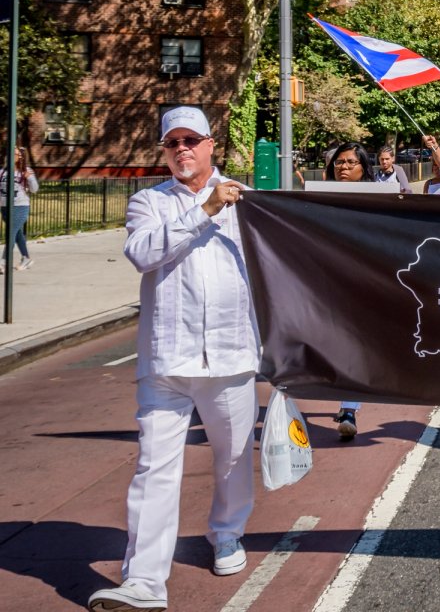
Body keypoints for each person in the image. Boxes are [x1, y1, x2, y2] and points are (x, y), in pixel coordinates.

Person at [88, 107, 257, 612]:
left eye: (191, 140)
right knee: (154, 468)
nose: (182, 149)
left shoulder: (248, 202)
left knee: (232, 458)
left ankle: (226, 534)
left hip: (230, 355)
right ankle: (143, 581)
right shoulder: (149, 202)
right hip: (166, 359)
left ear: (211, 145)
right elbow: (143, 254)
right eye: (172, 143)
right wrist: (203, 209)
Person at [326, 142, 376, 441]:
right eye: (339, 163)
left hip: (363, 282)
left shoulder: (377, 196)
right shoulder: (322, 196)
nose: (343, 167)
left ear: (362, 167)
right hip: (328, 280)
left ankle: (348, 408)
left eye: (349, 163)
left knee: (355, 345)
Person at [0, 147, 39, 271]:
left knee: (11, 232)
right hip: (5, 206)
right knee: (17, 234)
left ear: (20, 157)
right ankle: (26, 258)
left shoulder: (25, 171)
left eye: (14, 154)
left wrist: (29, 178)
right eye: (9, 153)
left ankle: (3, 261)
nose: (10, 156)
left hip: (20, 206)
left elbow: (34, 189)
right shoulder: (2, 171)